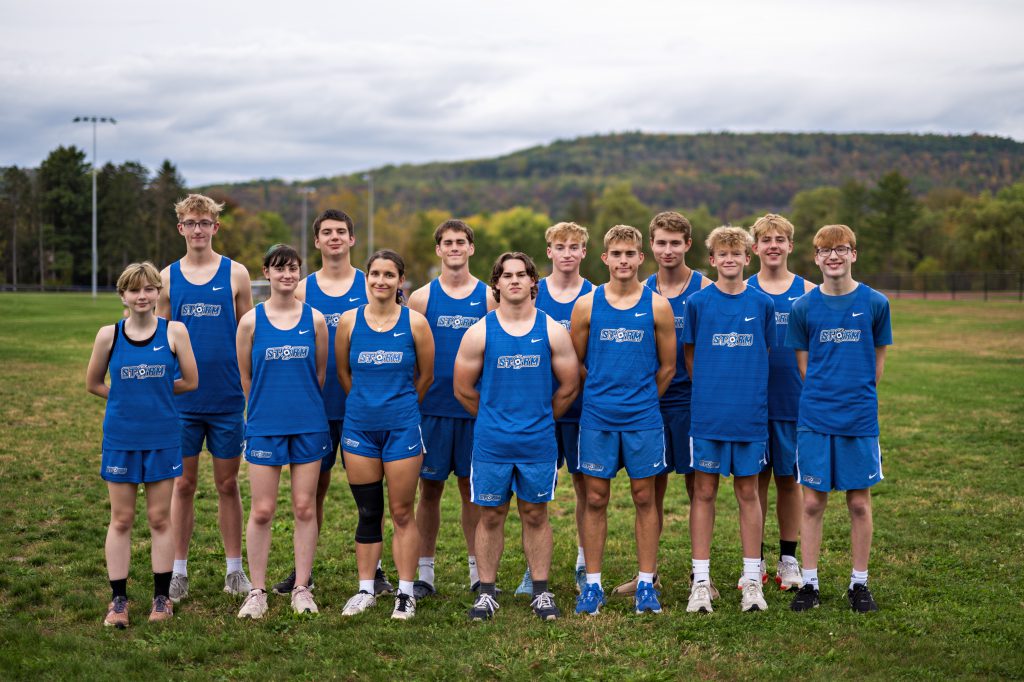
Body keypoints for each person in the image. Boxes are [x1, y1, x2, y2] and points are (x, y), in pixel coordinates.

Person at [270, 209, 392, 597]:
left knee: (371, 493)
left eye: (342, 231)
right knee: (311, 495)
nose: (335, 237)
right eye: (327, 232)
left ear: (352, 239)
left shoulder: (371, 282)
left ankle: (376, 570)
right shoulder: (302, 289)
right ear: (317, 241)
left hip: (364, 409)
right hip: (315, 410)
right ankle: (303, 570)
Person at [455, 252, 580, 622]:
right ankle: (487, 592)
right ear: (496, 284)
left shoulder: (552, 330)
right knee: (490, 515)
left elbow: (570, 386)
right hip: (492, 442)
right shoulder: (480, 331)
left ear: (532, 283)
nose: (514, 281)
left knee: (535, 513)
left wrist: (539, 419)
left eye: (521, 275)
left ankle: (541, 592)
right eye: (506, 275)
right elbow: (462, 389)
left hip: (537, 442)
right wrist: (496, 418)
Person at [570, 225, 677, 616]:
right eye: (616, 254)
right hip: (597, 417)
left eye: (630, 254)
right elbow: (577, 362)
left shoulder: (657, 306)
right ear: (605, 259)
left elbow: (667, 367)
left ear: (640, 258)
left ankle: (646, 583)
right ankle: (593, 585)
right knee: (595, 498)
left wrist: (643, 400)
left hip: (643, 418)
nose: (624, 261)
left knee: (644, 496)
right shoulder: (587, 304)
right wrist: (601, 391)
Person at [86, 262, 198, 627]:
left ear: (158, 293)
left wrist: (156, 393)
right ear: (123, 295)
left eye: (149, 289)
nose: (142, 296)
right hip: (121, 438)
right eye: (134, 290)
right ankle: (118, 602)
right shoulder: (109, 335)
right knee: (121, 519)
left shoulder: (175, 332)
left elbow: (190, 381)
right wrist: (125, 400)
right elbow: (94, 383)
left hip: (163, 438)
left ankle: (161, 599)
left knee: (158, 518)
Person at [787, 224, 892, 613]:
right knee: (812, 503)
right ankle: (810, 583)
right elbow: (804, 369)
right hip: (815, 418)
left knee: (859, 504)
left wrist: (854, 398)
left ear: (853, 254)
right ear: (815, 257)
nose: (833, 256)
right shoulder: (803, 307)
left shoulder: (875, 303)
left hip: (859, 419)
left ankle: (858, 583)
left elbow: (876, 366)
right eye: (825, 250)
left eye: (841, 249)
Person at [158, 193, 254, 603]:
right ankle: (178, 571)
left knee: (228, 484)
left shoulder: (237, 274)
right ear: (180, 228)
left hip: (228, 398)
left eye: (205, 222)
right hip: (181, 401)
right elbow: (157, 338)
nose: (198, 229)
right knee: (183, 485)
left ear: (216, 227)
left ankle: (235, 570)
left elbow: (250, 331)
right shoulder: (166, 277)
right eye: (191, 223)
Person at [613, 211, 711, 597]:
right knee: (649, 492)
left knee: (698, 492)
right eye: (660, 243)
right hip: (648, 403)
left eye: (675, 243)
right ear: (649, 247)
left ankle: (700, 576)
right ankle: (647, 575)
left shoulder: (705, 289)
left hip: (692, 404)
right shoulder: (643, 289)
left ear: (687, 244)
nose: (667, 250)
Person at [334, 250, 434, 620]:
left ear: (400, 281)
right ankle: (366, 589)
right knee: (368, 511)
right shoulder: (348, 321)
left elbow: (425, 377)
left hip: (402, 428)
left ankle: (405, 594)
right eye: (374, 274)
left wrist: (399, 406)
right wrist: (365, 403)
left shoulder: (415, 323)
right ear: (366, 279)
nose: (381, 281)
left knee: (402, 511)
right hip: (359, 428)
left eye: (388, 275)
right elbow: (344, 374)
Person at [682, 226, 775, 614]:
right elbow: (690, 359)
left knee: (748, 493)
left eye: (737, 253)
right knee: (703, 493)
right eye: (723, 253)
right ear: (713, 259)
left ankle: (752, 580)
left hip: (749, 417)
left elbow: (765, 354)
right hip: (708, 416)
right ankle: (700, 581)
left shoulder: (762, 305)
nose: (730, 259)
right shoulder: (698, 304)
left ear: (747, 258)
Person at [235, 244, 330, 619]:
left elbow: (319, 374)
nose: (287, 275)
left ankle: (302, 587)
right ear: (267, 273)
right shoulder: (251, 322)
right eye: (279, 268)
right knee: (262, 509)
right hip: (264, 426)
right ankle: (257, 591)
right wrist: (265, 408)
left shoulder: (316, 320)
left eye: (293, 268)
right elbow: (245, 376)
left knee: (305, 507)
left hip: (308, 424)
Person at [407, 220, 496, 599]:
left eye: (462, 242)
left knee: (470, 490)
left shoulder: (489, 297)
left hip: (475, 410)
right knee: (429, 490)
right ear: (439, 250)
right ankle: (425, 571)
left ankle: (478, 571)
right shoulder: (422, 299)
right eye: (448, 242)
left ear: (471, 248)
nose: (455, 247)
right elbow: (413, 357)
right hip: (433, 410)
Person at [515, 222, 593, 598]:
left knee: (585, 488)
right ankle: (533, 570)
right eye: (559, 246)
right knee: (531, 493)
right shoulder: (531, 293)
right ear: (548, 252)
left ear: (584, 253)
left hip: (579, 409)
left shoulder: (596, 295)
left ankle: (583, 563)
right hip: (533, 410)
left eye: (574, 247)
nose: (566, 253)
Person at [747, 213, 816, 591]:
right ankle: (752, 559)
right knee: (754, 481)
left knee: (789, 480)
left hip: (794, 400)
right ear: (754, 248)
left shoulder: (809, 291)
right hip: (751, 401)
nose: (773, 245)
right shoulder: (742, 290)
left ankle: (788, 558)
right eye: (765, 239)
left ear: (791, 246)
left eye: (780, 239)